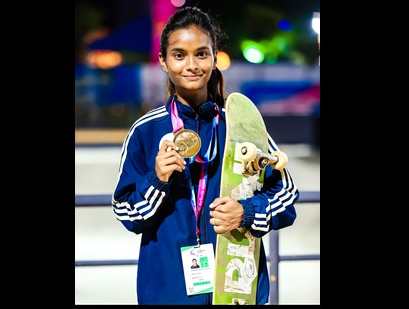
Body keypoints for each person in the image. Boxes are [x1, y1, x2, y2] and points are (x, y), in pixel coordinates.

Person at [112, 6, 299, 305]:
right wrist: (157, 180)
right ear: (163, 61)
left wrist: (247, 211)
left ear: (214, 58)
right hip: (167, 292)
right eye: (179, 55)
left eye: (201, 54)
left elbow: (287, 196)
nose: (191, 65)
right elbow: (127, 214)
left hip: (236, 291)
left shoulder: (241, 126)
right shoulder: (146, 132)